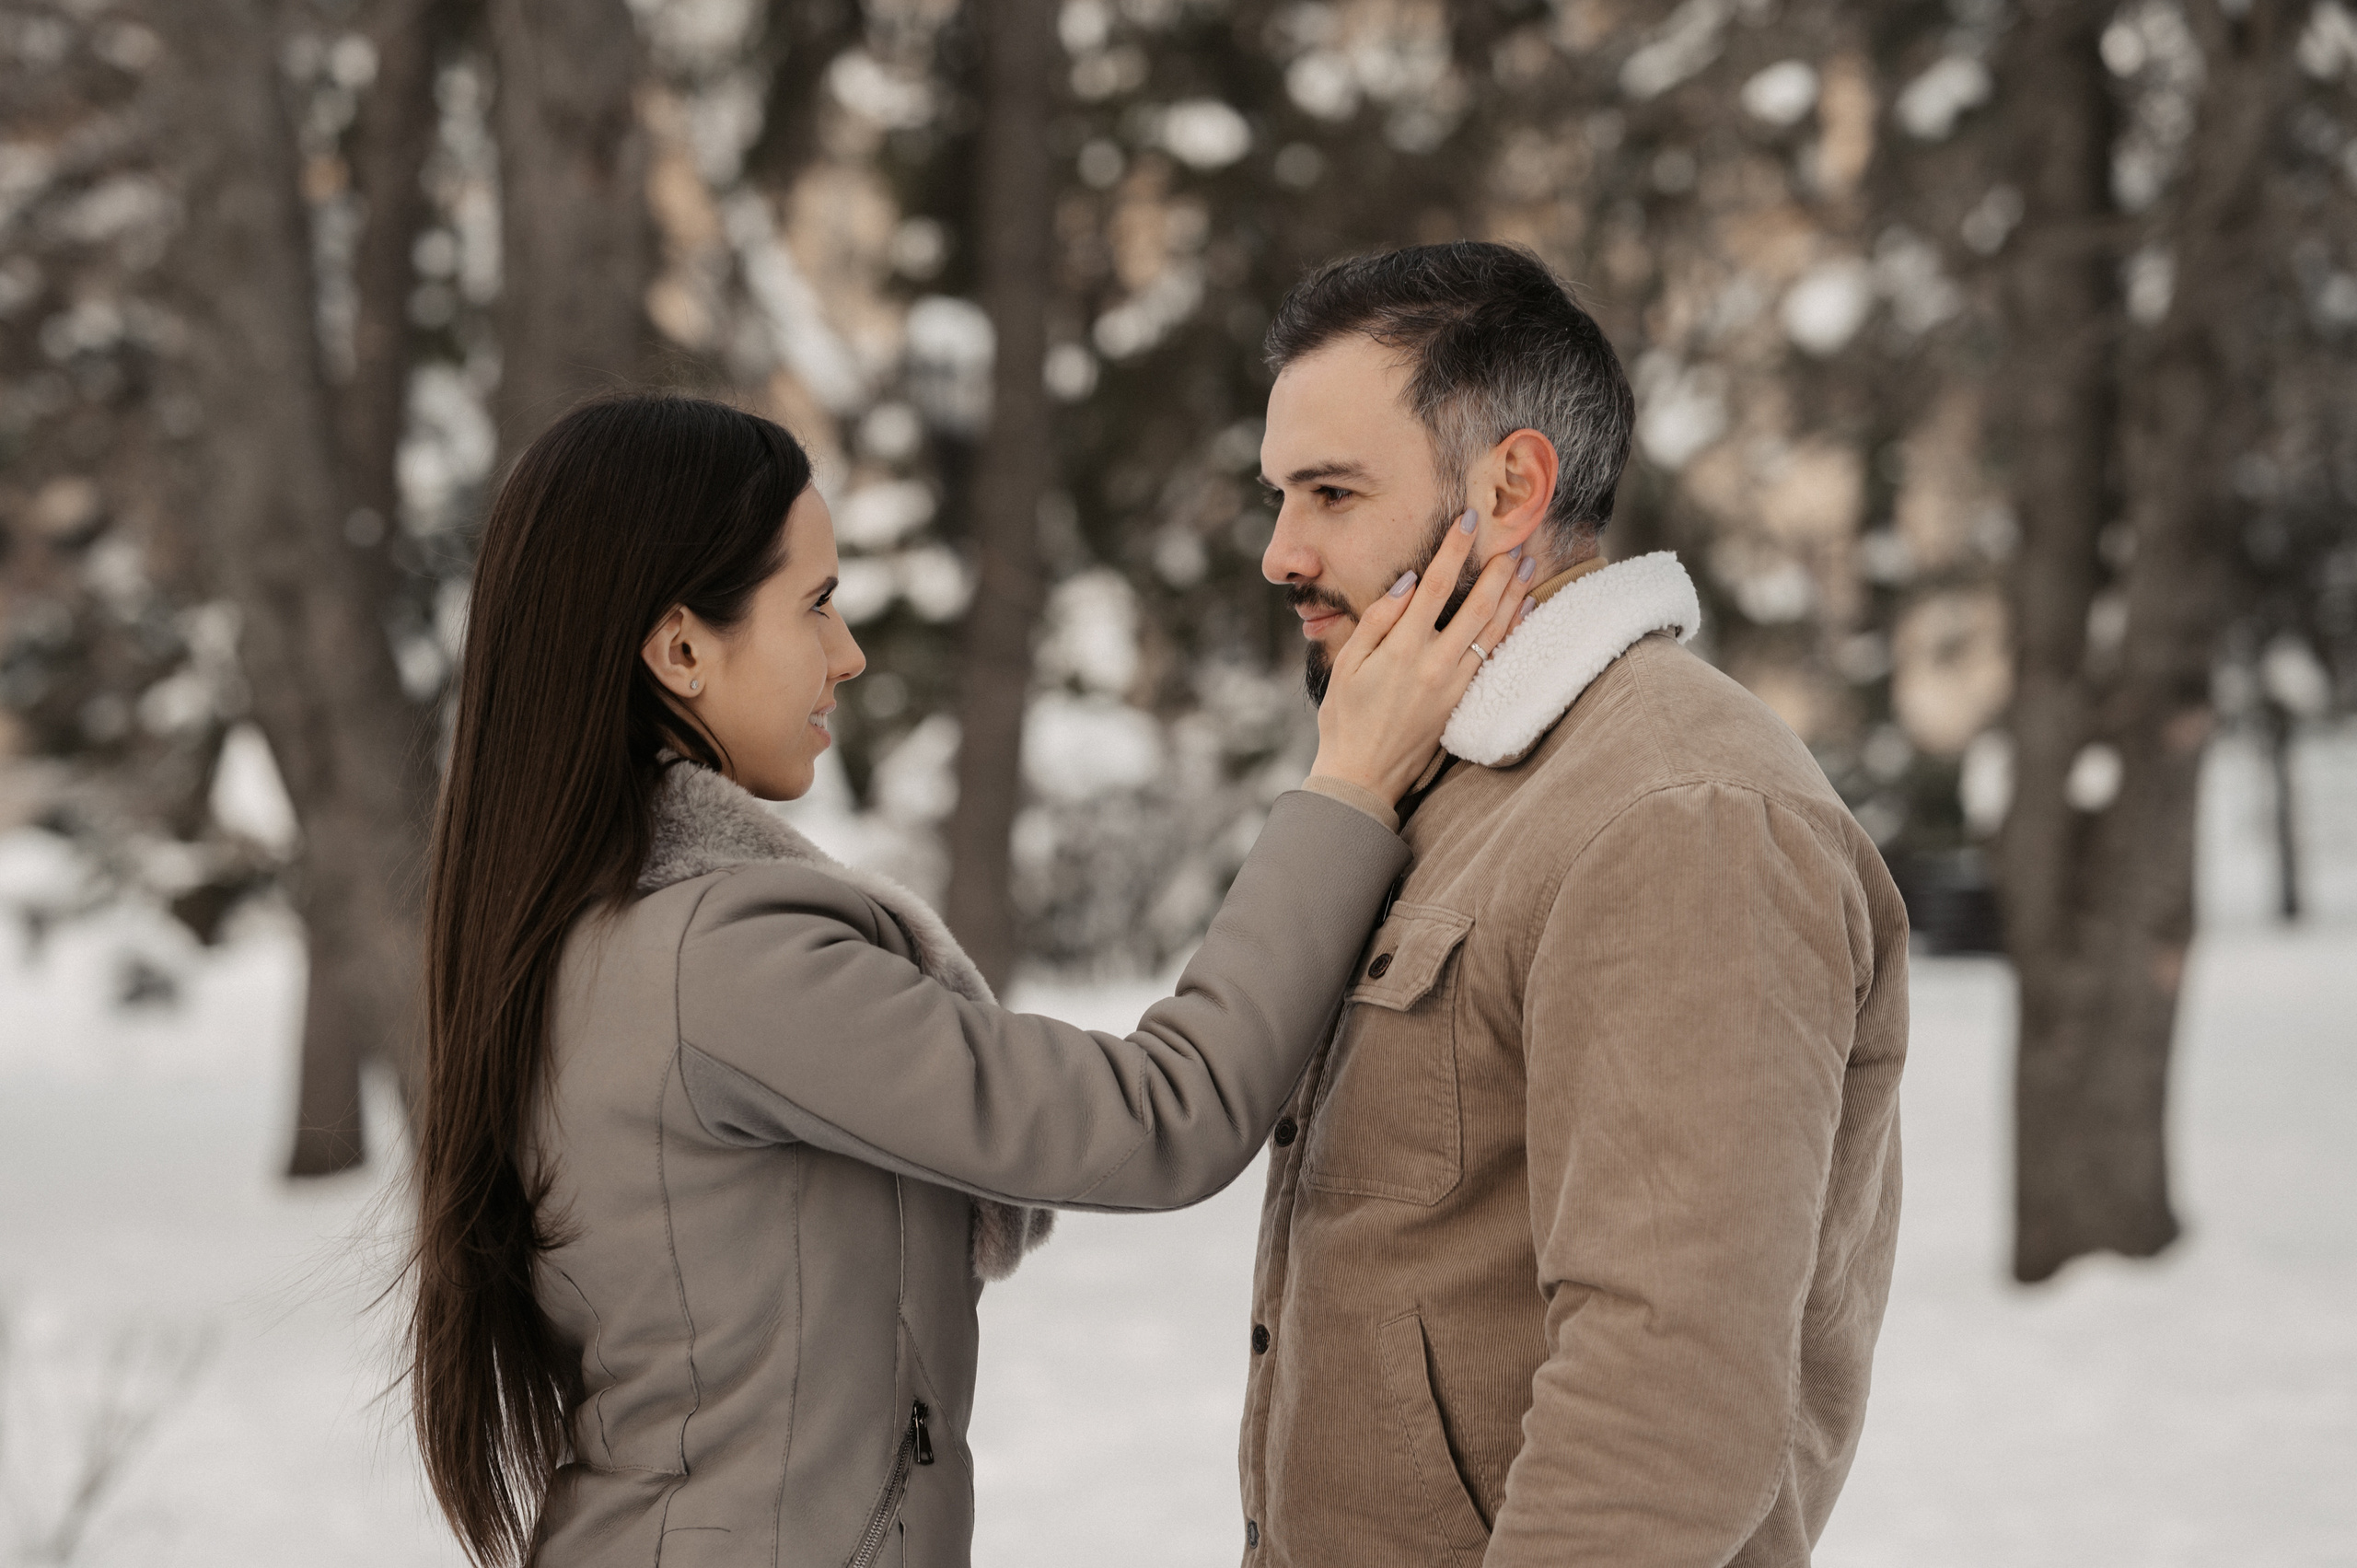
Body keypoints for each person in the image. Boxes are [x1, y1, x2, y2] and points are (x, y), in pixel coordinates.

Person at [404, 393, 1532, 1568]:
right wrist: (1348, 785)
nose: (847, 653)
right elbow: (1162, 1114)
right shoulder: (718, 960)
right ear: (681, 647)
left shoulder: (603, 926)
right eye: (817, 604)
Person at [1237, 241, 1909, 1565]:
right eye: (1277, 495)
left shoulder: (1680, 815)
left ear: (1511, 485)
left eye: (1330, 492)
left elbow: (1670, 1397)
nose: (1280, 552)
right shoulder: (1462, 788)